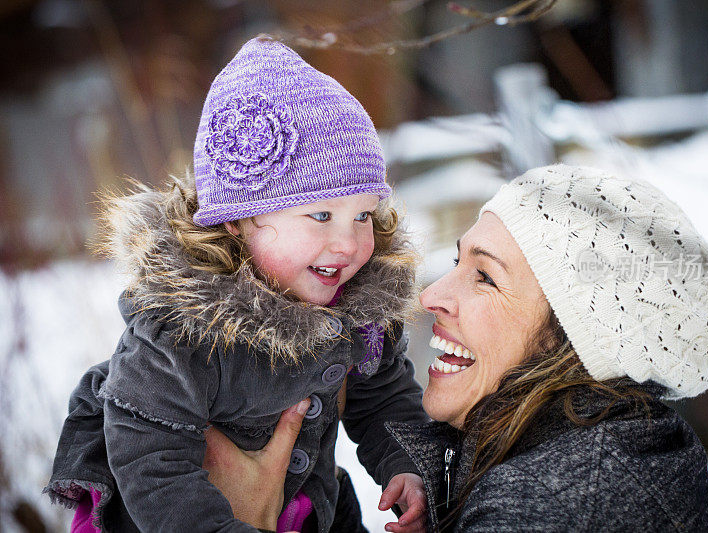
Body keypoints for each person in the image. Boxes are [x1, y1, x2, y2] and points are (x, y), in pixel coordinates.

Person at [209, 164, 708, 532]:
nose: (431, 295)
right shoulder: (570, 459)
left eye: (484, 277)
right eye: (458, 261)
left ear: (572, 340)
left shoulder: (558, 503)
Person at [44, 36, 429, 533]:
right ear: (236, 221)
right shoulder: (179, 333)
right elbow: (152, 464)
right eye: (321, 214)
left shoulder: (358, 312)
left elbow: (384, 395)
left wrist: (407, 465)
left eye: (363, 215)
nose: (349, 242)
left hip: (305, 510)